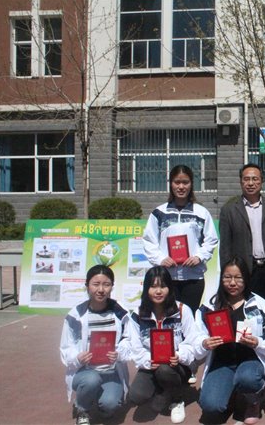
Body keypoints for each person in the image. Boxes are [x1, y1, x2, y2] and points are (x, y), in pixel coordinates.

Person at [219, 163, 265, 380]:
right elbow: (225, 247)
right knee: (244, 316)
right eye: (246, 179)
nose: (251, 183)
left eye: (255, 179)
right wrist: (227, 276)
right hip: (243, 274)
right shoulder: (229, 210)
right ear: (241, 182)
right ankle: (243, 359)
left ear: (262, 181)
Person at [191, 256, 265, 425]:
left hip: (251, 361)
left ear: (246, 279)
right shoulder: (210, 306)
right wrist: (204, 343)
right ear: (221, 279)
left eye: (238, 278)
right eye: (227, 277)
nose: (232, 283)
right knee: (211, 406)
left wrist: (258, 343)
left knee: (247, 378)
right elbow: (196, 337)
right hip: (222, 362)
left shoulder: (258, 304)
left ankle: (253, 400)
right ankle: (230, 389)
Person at [126, 266, 198, 424]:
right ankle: (164, 388)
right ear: (146, 289)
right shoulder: (137, 315)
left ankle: (177, 399)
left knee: (164, 371)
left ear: (170, 288)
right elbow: (136, 347)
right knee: (137, 395)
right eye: (153, 287)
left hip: (177, 365)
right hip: (151, 364)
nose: (158, 291)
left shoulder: (182, 310)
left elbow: (192, 342)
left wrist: (179, 355)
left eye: (163, 286)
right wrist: (148, 360)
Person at [60, 265, 131, 425]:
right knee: (91, 380)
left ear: (112, 286)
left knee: (110, 405)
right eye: (96, 284)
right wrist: (77, 357)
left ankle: (98, 400)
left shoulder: (120, 312)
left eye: (106, 284)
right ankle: (82, 409)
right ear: (87, 286)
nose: (101, 290)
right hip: (84, 371)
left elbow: (128, 340)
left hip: (111, 371)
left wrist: (119, 354)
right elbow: (66, 347)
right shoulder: (76, 315)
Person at [143, 164, 219, 313]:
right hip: (166, 278)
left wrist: (199, 257)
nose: (181, 187)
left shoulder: (201, 212)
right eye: (177, 182)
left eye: (185, 182)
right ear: (171, 184)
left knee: (189, 316)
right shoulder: (159, 213)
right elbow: (149, 240)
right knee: (168, 316)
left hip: (193, 278)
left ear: (191, 184)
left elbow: (211, 240)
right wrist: (160, 259)